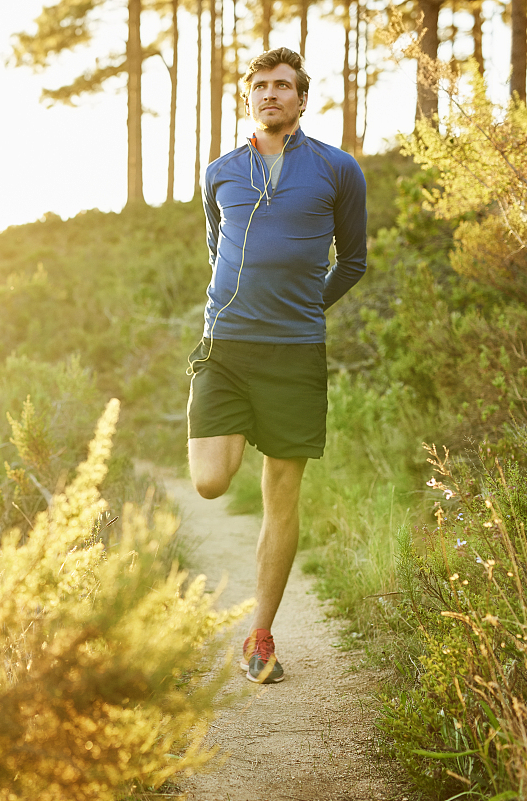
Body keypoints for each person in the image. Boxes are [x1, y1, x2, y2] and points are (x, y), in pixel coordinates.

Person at [187, 47, 367, 684]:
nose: (270, 94)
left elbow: (352, 261)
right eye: (259, 85)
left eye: (282, 85)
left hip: (295, 351)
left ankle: (260, 634)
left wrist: (300, 307)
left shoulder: (338, 170)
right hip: (227, 344)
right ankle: (231, 433)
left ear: (301, 98)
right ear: (248, 99)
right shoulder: (219, 172)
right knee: (210, 480)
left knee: (282, 494)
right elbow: (217, 246)